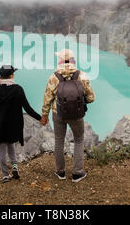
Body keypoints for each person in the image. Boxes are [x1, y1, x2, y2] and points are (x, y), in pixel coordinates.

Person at [41, 49, 95, 183]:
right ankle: (77, 172)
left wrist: (44, 115)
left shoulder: (54, 76)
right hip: (76, 114)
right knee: (79, 140)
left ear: (60, 61)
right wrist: (81, 102)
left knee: (59, 140)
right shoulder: (81, 75)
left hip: (58, 113)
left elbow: (47, 98)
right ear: (73, 60)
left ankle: (60, 172)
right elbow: (91, 97)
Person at [0, 65, 45, 183]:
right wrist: (40, 118)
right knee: (11, 146)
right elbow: (27, 108)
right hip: (13, 125)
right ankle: (15, 168)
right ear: (11, 75)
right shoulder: (18, 89)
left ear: (0, 76)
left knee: (1, 150)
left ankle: (5, 175)